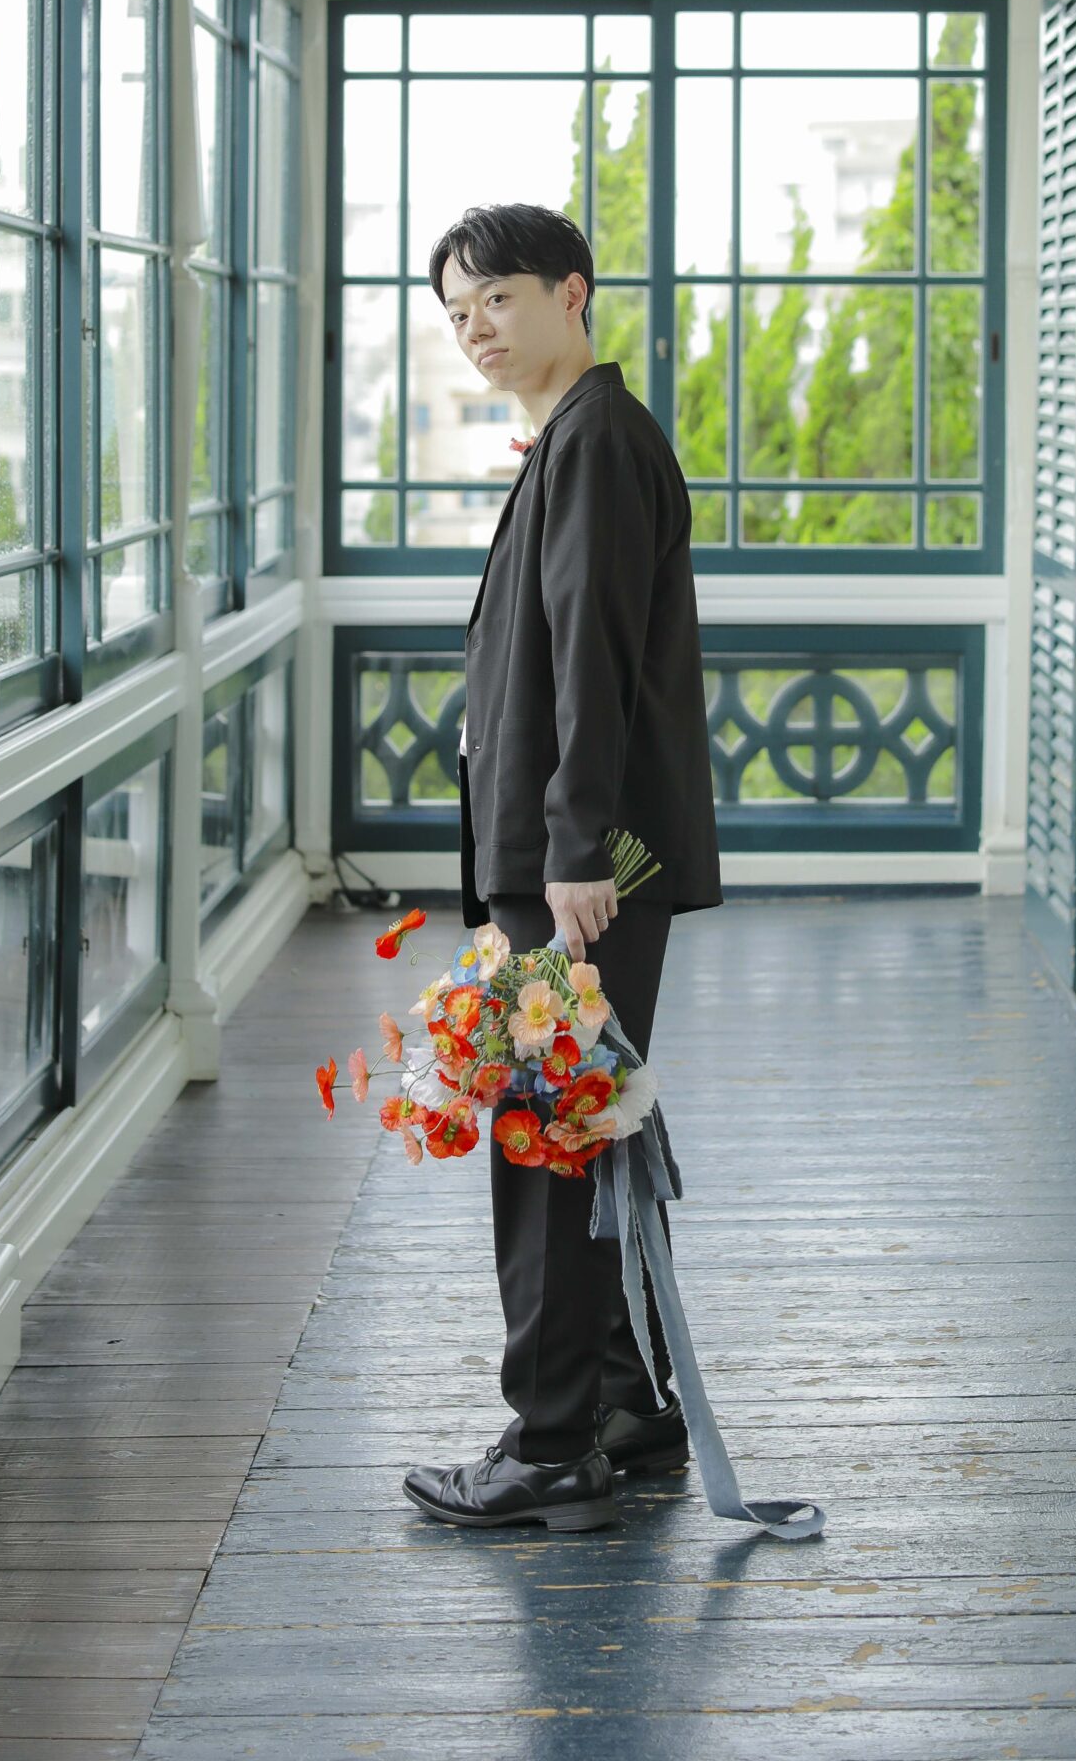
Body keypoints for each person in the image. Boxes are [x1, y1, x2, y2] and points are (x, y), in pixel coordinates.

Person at [401, 203, 722, 1534]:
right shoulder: (585, 438)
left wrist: (577, 847)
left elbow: (590, 652)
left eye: (498, 298)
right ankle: (624, 1402)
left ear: (571, 294)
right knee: (589, 1125)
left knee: (547, 1137)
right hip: (574, 857)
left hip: (582, 864)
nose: (475, 329)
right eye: (456, 312)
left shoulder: (594, 441)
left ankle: (548, 1446)